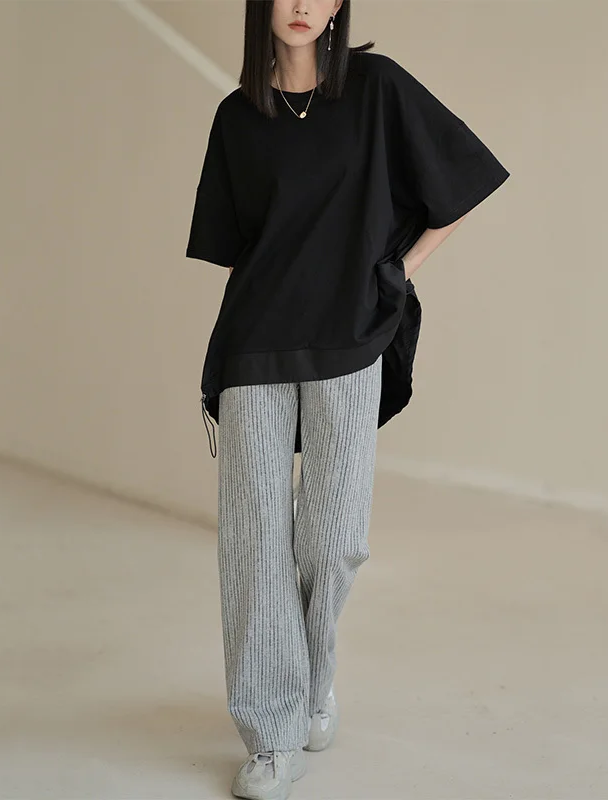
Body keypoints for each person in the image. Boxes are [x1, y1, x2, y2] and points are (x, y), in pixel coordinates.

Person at [185, 1, 510, 797]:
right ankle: (271, 733)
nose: (302, 4)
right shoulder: (236, 119)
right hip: (256, 344)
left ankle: (311, 678)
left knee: (331, 539)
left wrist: (396, 272)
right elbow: (239, 251)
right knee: (254, 540)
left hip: (353, 338)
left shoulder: (376, 89)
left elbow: (462, 181)